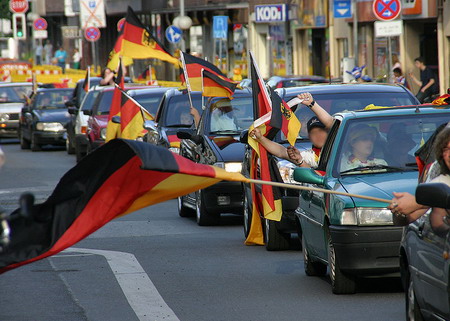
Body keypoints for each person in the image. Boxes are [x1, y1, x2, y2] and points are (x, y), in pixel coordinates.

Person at [389, 127, 450, 229]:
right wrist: (399, 209)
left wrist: (417, 203)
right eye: (445, 149)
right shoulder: (442, 181)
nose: (449, 155)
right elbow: (408, 218)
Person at [249, 116, 328, 168]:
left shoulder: (339, 152)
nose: (318, 135)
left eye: (321, 131)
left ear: (329, 133)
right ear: (309, 137)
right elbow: (281, 152)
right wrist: (260, 138)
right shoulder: (309, 156)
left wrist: (311, 104)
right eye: (313, 133)